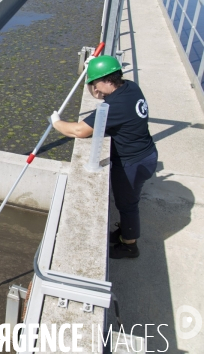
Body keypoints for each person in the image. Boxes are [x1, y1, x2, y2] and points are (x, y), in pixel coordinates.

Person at [49, 55, 158, 259]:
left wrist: (56, 123)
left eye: (94, 84)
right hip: (146, 152)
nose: (95, 90)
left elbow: (80, 130)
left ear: (107, 80)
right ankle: (124, 232)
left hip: (133, 162)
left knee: (127, 205)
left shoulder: (115, 106)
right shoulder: (130, 87)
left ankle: (129, 246)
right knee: (127, 203)